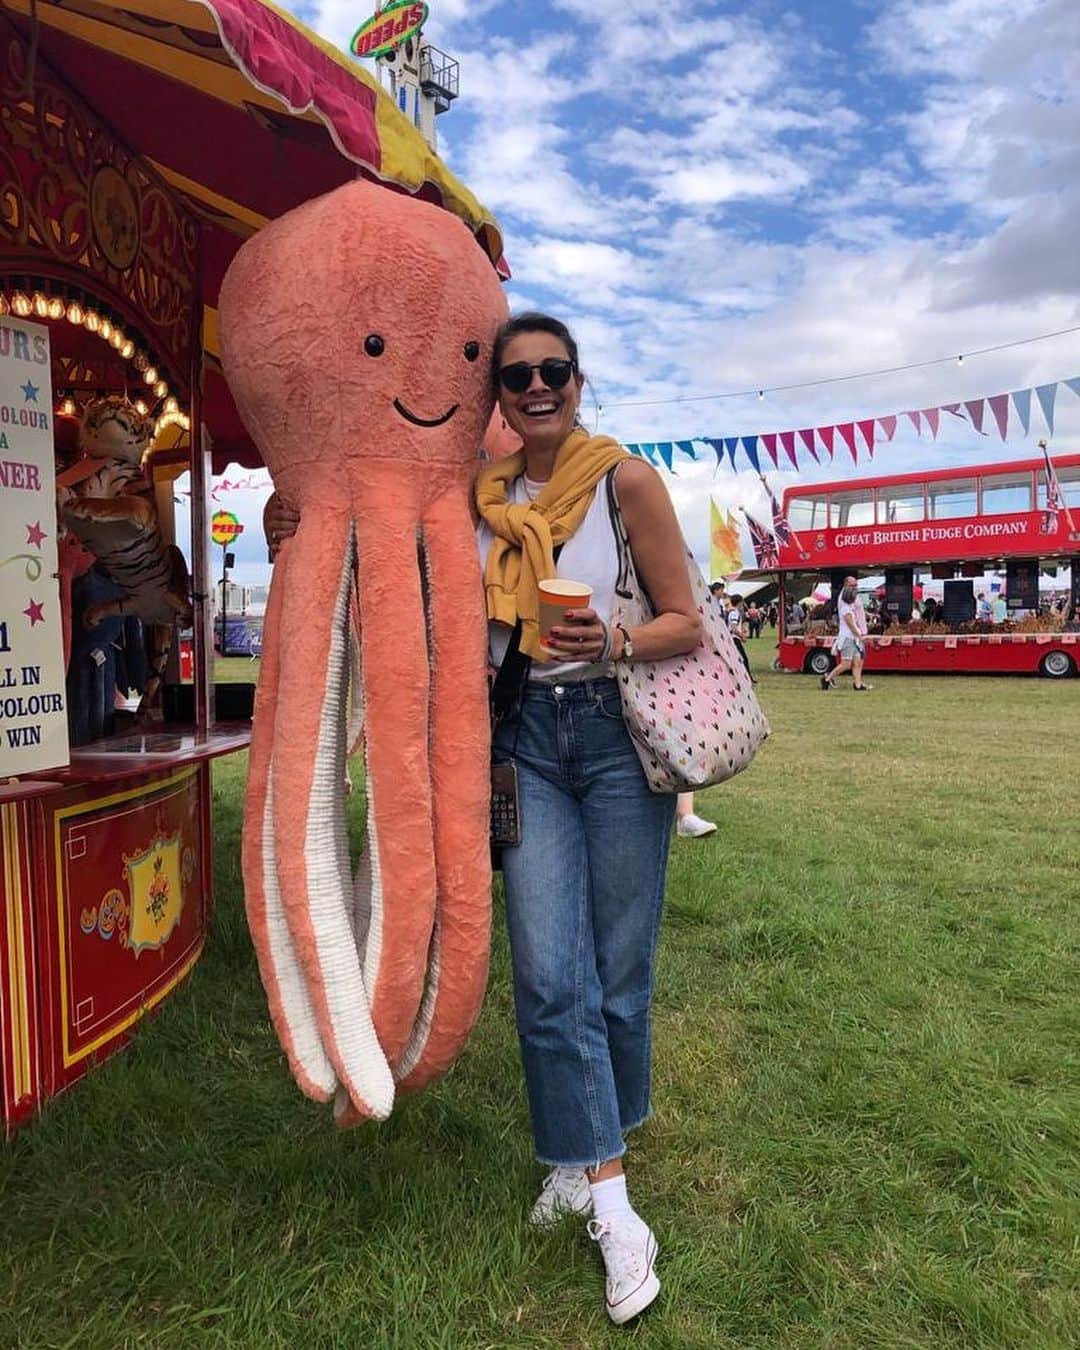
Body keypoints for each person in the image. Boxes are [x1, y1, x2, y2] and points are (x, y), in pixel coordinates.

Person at [821, 575, 871, 691]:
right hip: (848, 637)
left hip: (855, 637)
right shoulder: (844, 605)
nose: (855, 588)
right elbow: (850, 624)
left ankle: (858, 685)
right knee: (846, 663)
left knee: (858, 661)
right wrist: (859, 636)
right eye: (852, 586)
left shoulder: (849, 601)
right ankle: (827, 678)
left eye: (856, 585)